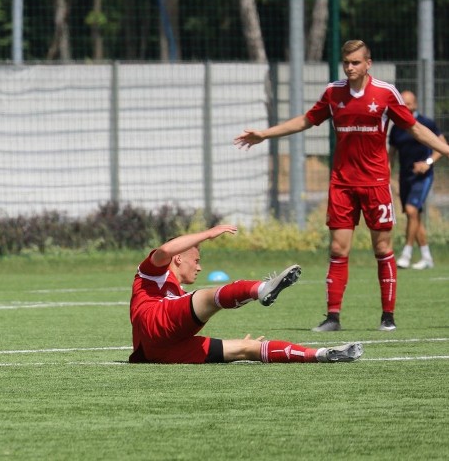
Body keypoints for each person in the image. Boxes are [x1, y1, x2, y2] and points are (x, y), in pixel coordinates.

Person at [234, 39, 449, 333]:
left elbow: (414, 127)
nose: (349, 68)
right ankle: (332, 317)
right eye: (346, 63)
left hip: (375, 183)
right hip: (342, 184)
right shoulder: (333, 92)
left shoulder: (385, 93)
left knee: (382, 247)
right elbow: (306, 121)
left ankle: (388, 317)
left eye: (355, 63)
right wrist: (265, 134)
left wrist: (445, 150)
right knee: (337, 248)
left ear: (367, 64)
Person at [128, 224, 363, 364]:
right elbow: (166, 250)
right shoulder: (150, 273)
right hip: (154, 322)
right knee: (208, 297)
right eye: (196, 261)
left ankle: (322, 354)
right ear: (178, 259)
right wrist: (209, 233)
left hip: (161, 351)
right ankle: (262, 289)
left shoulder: (177, 293)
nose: (199, 267)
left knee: (245, 348)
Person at [389, 90, 444, 270]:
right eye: (402, 104)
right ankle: (427, 257)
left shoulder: (426, 123)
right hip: (405, 176)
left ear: (416, 104)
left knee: (412, 211)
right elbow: (391, 155)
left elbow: (442, 147)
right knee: (414, 216)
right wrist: (387, 176)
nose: (406, 107)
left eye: (409, 104)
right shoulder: (396, 128)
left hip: (423, 176)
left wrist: (428, 163)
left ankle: (406, 253)